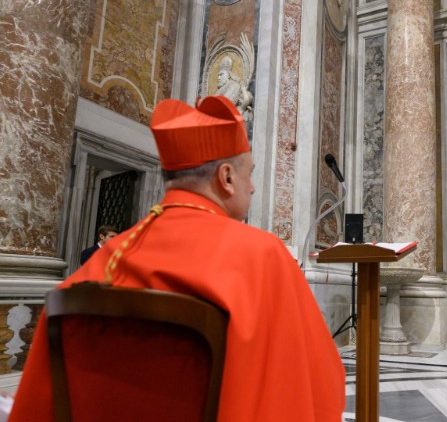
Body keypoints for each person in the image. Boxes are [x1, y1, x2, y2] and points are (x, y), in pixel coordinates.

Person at [9, 96, 345, 421]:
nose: (253, 187)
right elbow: (318, 384)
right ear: (226, 177)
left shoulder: (107, 259)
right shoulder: (263, 256)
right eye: (250, 173)